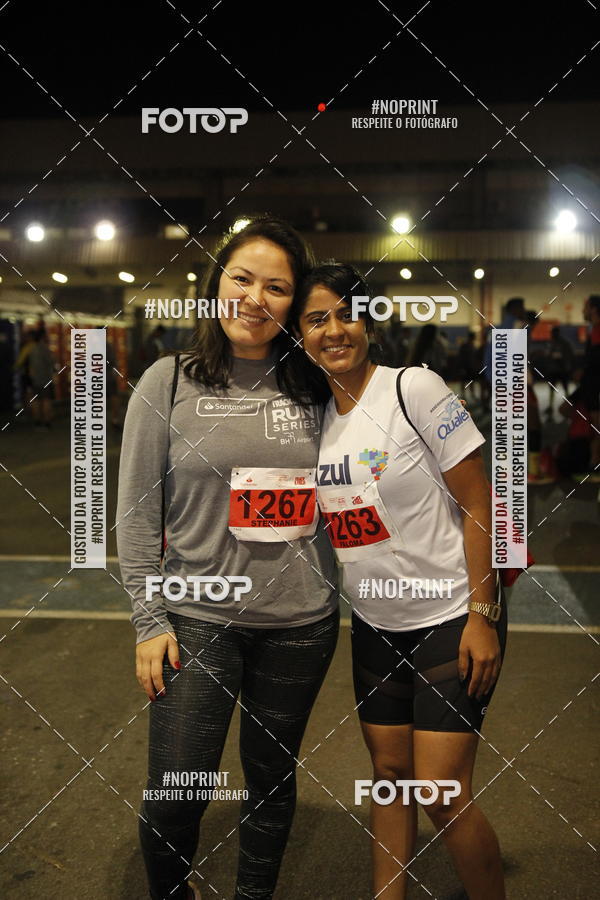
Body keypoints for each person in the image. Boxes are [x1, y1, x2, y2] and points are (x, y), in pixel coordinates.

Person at [116, 217, 339, 900]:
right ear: (216, 285)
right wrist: (149, 620)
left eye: (276, 287)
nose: (255, 297)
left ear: (293, 304)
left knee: (271, 780)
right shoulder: (168, 381)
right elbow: (134, 512)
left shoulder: (317, 385)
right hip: (196, 619)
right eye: (242, 278)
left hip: (300, 624)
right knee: (178, 790)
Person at [285, 263, 507, 900]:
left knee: (440, 790)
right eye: (316, 319)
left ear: (369, 321)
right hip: (377, 625)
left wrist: (483, 614)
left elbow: (481, 504)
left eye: (346, 314)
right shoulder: (317, 419)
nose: (334, 330)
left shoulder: (415, 387)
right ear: (300, 335)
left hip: (451, 616)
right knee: (389, 773)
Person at [28, 329, 56, 429]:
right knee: (46, 400)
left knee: (36, 401)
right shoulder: (45, 349)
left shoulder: (32, 349)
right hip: (45, 379)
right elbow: (51, 363)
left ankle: (37, 421)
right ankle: (47, 421)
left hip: (35, 379)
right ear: (42, 337)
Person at [542, 326, 573, 416]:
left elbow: (569, 355)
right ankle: (551, 406)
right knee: (552, 388)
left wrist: (567, 364)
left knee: (565, 388)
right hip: (553, 370)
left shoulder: (564, 343)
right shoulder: (551, 343)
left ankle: (568, 406)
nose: (553, 335)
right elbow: (547, 354)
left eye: (554, 333)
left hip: (562, 369)